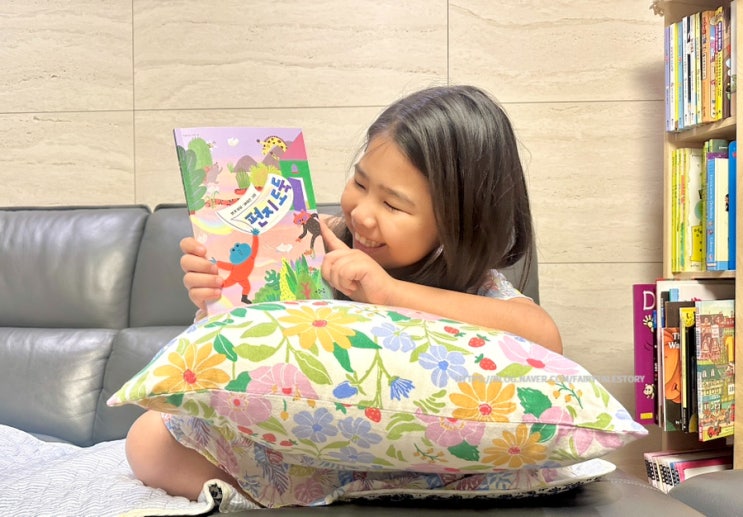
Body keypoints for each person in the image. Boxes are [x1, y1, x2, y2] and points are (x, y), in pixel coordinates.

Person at [125, 84, 563, 502]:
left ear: (459, 224)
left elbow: (544, 339)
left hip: (417, 458)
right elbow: (255, 344)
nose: (362, 214)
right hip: (301, 447)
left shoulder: (470, 283)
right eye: (360, 183)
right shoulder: (317, 240)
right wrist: (215, 299)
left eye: (393, 205)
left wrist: (389, 292)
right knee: (149, 440)